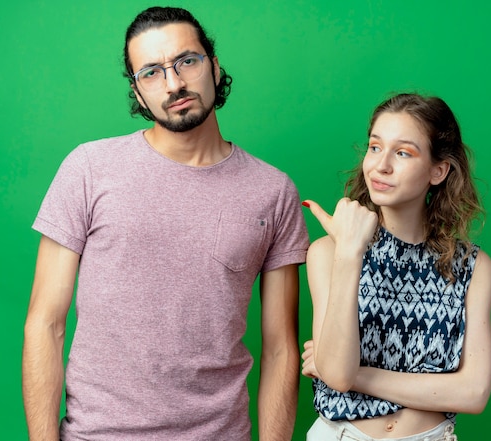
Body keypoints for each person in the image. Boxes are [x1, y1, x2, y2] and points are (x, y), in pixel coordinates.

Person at [22, 6, 309, 441]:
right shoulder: (89, 168)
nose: (173, 84)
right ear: (137, 92)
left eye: (186, 62)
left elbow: (282, 349)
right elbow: (46, 323)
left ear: (214, 66)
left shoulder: (272, 190)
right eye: (151, 73)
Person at [300, 93, 491, 441]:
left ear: (439, 170)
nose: (381, 165)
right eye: (375, 147)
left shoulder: (473, 267)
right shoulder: (329, 252)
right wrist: (350, 252)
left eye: (402, 152)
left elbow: (474, 393)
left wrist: (359, 374)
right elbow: (337, 378)